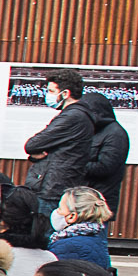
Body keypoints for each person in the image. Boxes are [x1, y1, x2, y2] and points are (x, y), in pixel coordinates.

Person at [20, 69, 96, 200]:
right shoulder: (77, 114)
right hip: (59, 182)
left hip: (54, 187)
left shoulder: (72, 116)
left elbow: (32, 145)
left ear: (65, 93)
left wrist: (39, 151)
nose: (47, 95)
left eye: (51, 91)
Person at [81, 87, 130, 211]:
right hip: (83, 198)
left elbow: (106, 167)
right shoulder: (91, 129)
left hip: (99, 200)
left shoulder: (115, 134)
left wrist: (74, 165)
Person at [49, 186, 114, 271]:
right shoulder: (96, 238)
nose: (56, 211)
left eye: (60, 208)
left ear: (72, 216)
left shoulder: (65, 246)